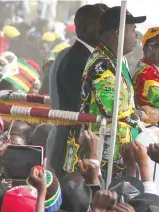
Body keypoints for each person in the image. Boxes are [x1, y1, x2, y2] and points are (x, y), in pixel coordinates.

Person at [63, 7, 159, 178]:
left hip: (111, 155)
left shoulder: (113, 59)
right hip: (97, 159)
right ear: (118, 33)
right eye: (133, 30)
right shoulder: (102, 64)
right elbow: (113, 107)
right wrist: (144, 115)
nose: (136, 35)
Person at [46, 4, 109, 177]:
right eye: (101, 23)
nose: (105, 29)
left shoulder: (86, 56)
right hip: (72, 145)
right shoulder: (77, 59)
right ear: (83, 27)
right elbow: (83, 105)